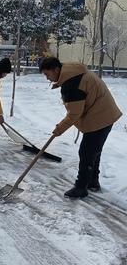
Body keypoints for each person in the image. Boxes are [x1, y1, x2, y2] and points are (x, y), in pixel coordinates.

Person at [39, 57, 122, 198]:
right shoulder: (72, 71)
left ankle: (81, 187)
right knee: (93, 151)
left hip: (100, 116)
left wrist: (59, 129)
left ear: (56, 69)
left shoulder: (72, 83)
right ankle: (92, 182)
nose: (47, 78)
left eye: (48, 74)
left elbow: (74, 114)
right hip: (104, 114)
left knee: (86, 152)